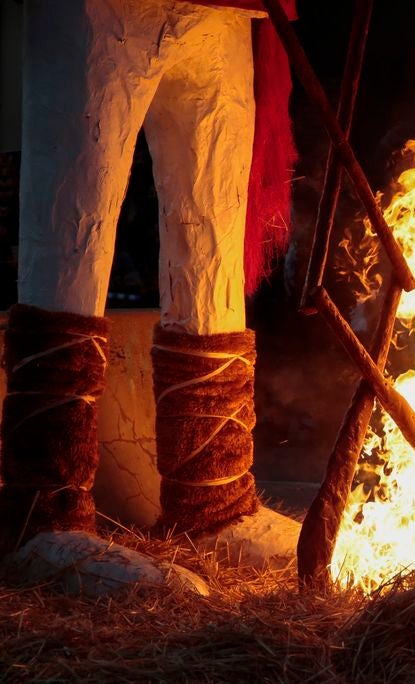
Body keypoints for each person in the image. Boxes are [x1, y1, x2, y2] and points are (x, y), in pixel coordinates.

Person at [1, 0, 300, 577]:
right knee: (71, 226)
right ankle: (45, 515)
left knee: (212, 234)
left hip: (228, 10)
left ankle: (211, 501)